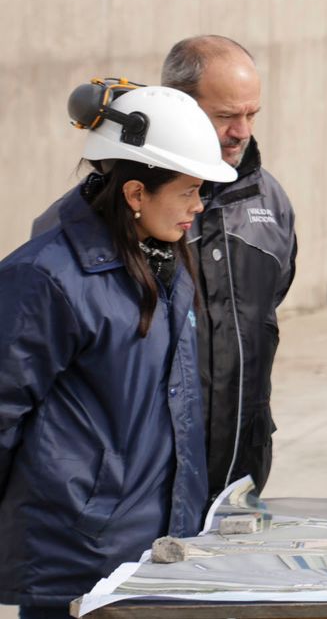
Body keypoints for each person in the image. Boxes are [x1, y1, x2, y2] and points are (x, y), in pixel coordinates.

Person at [1, 82, 236, 618]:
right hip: (77, 560)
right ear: (135, 194)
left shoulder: (163, 262)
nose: (197, 209)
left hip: (159, 548)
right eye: (188, 191)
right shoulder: (45, 279)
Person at [34, 36, 296, 500]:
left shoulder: (270, 202)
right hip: (134, 493)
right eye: (226, 116)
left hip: (240, 478)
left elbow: (269, 305)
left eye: (251, 114)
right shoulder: (86, 229)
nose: (242, 131)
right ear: (181, 106)